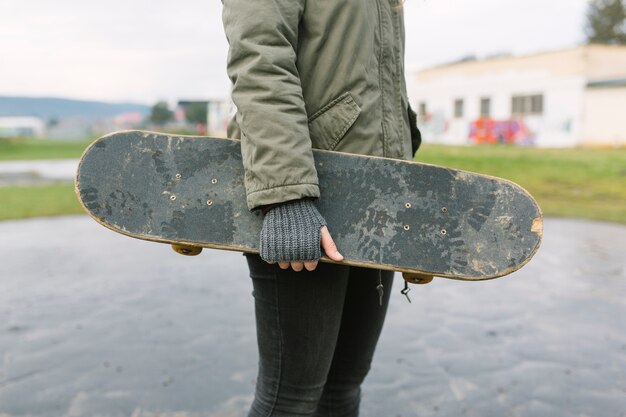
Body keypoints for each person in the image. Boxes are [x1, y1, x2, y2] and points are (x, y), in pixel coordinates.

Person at [222, 0, 421, 415]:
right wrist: (287, 193)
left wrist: (404, 168)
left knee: (343, 388)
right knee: (290, 399)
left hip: (374, 190)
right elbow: (260, 57)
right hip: (303, 192)